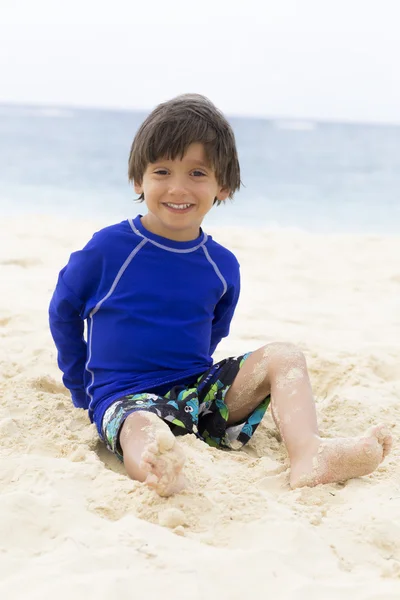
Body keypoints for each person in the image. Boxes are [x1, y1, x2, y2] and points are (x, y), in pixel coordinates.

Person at [49, 94, 392, 497]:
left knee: (285, 356)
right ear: (139, 180)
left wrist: (203, 385)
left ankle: (308, 454)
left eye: (197, 173)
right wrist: (80, 391)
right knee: (144, 429)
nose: (178, 188)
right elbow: (64, 313)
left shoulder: (221, 264)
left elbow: (214, 330)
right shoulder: (109, 249)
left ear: (223, 186)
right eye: (162, 171)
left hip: (198, 391)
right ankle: (160, 469)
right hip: (126, 398)